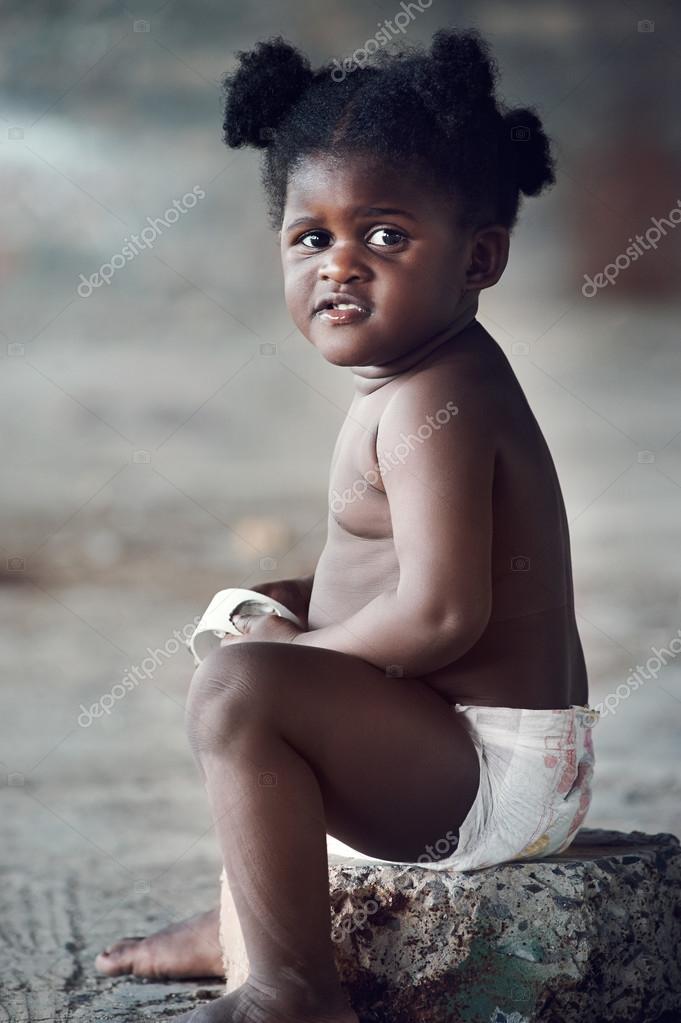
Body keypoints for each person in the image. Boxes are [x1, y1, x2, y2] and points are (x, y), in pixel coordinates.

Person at [95, 27, 599, 1023]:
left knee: (244, 691)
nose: (341, 266)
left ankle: (292, 990)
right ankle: (247, 922)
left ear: (479, 258)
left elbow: (444, 615)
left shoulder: (434, 400)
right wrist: (300, 611)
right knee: (259, 655)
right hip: (463, 752)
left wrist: (312, 651)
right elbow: (399, 572)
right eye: (310, 236)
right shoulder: (416, 381)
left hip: (491, 776)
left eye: (385, 236)